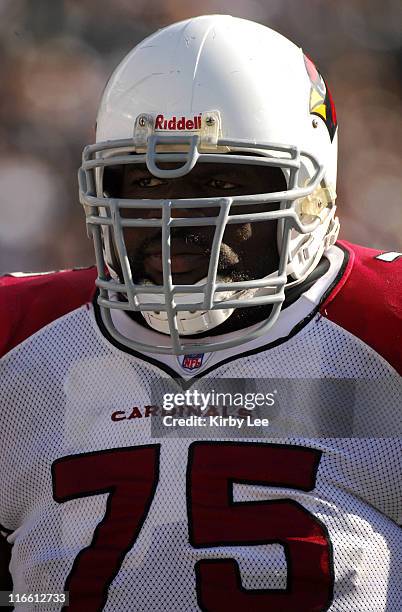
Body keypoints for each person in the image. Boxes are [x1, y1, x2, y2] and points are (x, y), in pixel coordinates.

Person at [1, 14, 401, 612]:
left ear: (312, 195)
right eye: (143, 181)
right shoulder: (20, 339)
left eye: (216, 180)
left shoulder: (385, 326)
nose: (176, 218)